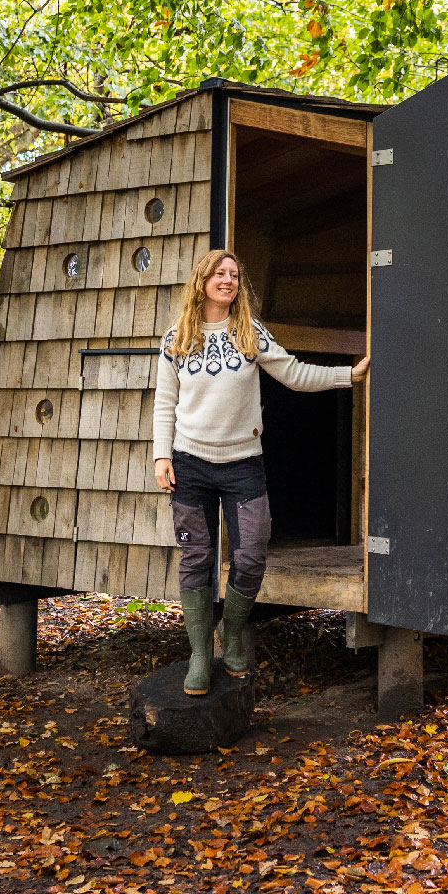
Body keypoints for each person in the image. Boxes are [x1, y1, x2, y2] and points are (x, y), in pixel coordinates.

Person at [153, 249, 370, 696]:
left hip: (243, 464)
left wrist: (347, 376)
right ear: (203, 281)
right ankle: (199, 654)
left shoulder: (250, 334)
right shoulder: (177, 338)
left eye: (233, 274)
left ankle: (231, 633)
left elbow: (293, 374)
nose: (227, 280)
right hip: (190, 463)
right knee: (196, 559)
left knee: (251, 554)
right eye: (219, 273)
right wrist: (161, 456)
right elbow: (164, 403)